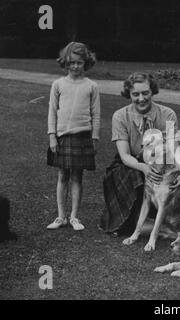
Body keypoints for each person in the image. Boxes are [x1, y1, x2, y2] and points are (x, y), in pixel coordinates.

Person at [99, 72, 180, 235]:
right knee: (136, 178)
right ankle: (132, 220)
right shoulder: (120, 116)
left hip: (161, 163)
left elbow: (174, 149)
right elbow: (124, 155)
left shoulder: (168, 114)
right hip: (130, 162)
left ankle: (156, 219)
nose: (141, 98)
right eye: (135, 94)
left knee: (175, 195)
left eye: (145, 93)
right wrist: (143, 167)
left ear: (152, 91)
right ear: (128, 94)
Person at [47, 42, 100, 231]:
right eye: (72, 63)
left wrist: (95, 138)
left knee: (77, 177)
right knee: (62, 176)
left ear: (86, 62)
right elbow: (52, 112)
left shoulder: (91, 86)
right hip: (62, 137)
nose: (76, 66)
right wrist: (52, 136)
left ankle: (74, 217)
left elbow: (96, 114)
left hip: (83, 137)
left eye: (79, 62)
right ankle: (60, 216)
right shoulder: (58, 84)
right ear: (66, 63)